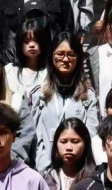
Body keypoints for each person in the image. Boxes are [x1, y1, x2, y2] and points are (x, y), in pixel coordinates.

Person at [20, 31, 100, 166]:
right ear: (51, 57)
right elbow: (34, 137)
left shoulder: (88, 95)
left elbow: (91, 135)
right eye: (60, 54)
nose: (65, 59)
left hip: (79, 168)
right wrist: (45, 168)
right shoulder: (38, 95)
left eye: (71, 54)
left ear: (78, 58)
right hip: (45, 168)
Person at [5, 18, 50, 98]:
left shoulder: (48, 72)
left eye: (36, 40)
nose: (32, 45)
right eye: (26, 41)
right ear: (20, 44)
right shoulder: (10, 71)